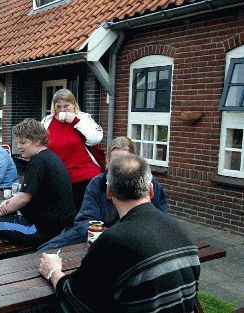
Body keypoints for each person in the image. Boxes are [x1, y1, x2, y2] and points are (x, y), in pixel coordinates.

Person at [37, 154, 200, 313]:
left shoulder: (114, 241)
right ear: (151, 190)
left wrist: (53, 272)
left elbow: (75, 300)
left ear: (109, 191)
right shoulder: (181, 231)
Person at [38, 136, 169, 251]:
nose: (120, 168)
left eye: (125, 162)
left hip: (134, 238)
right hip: (98, 237)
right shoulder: (97, 183)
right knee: (44, 251)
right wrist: (109, 236)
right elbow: (85, 220)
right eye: (116, 163)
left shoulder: (147, 182)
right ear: (107, 161)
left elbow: (160, 217)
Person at [0, 118, 75, 247]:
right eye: (18, 142)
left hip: (43, 230)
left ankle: (2, 263)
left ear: (36, 141)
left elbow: (23, 198)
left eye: (23, 143)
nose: (19, 147)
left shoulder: (38, 161)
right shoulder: (50, 157)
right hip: (60, 227)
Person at [41, 88, 103, 213]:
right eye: (59, 106)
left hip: (85, 176)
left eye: (66, 106)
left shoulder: (83, 118)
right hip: (60, 178)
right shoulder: (47, 121)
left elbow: (95, 139)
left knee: (85, 214)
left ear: (74, 105)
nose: (62, 110)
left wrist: (75, 121)